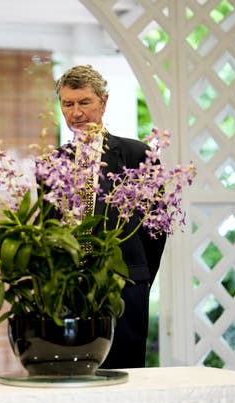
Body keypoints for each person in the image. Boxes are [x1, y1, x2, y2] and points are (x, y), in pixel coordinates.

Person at [55, 64, 167, 368]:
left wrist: (136, 276)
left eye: (84, 102)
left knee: (125, 377)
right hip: (69, 291)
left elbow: (156, 228)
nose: (76, 113)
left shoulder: (137, 156)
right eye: (68, 104)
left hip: (125, 289)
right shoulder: (53, 164)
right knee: (74, 380)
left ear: (103, 102)